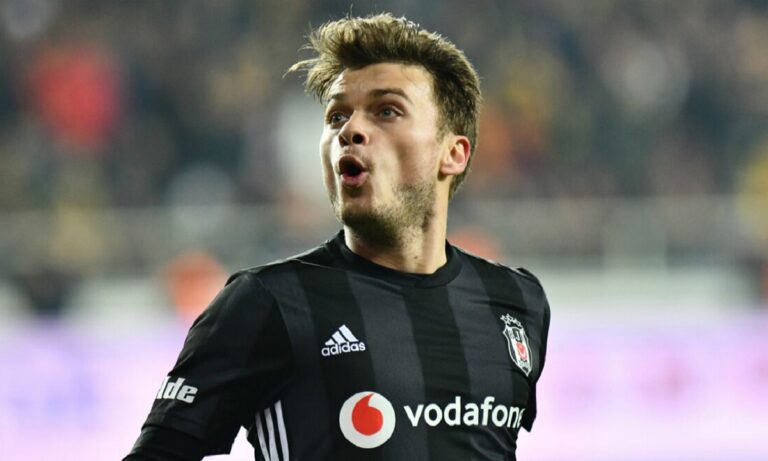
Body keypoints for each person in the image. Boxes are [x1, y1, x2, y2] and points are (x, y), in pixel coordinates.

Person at [124, 13, 550, 461]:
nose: (349, 130)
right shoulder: (267, 303)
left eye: (387, 111)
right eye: (337, 115)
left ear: (453, 153)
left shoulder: (518, 303)